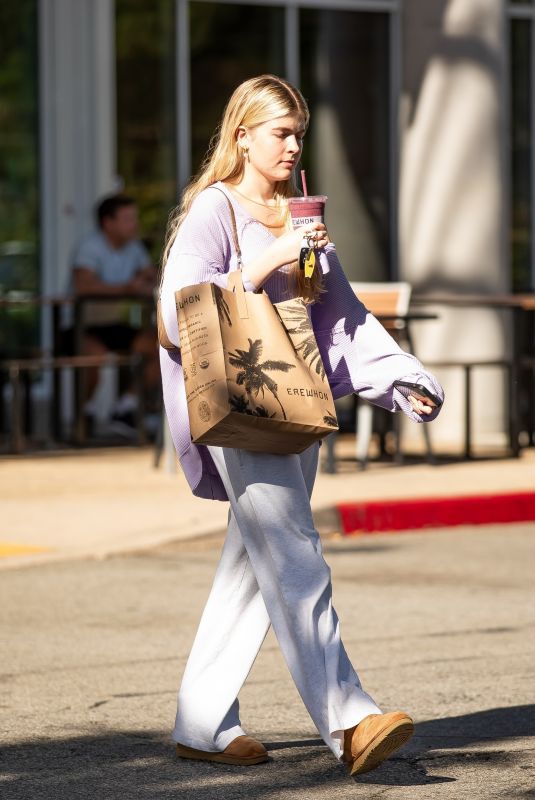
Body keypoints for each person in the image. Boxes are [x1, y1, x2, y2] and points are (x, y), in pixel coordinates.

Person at [159, 75, 444, 776]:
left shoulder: (299, 213)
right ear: (241, 136)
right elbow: (174, 316)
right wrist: (265, 262)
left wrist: (399, 376)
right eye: (279, 132)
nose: (291, 145)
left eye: (297, 133)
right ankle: (348, 719)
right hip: (241, 410)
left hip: (299, 404)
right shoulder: (213, 211)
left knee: (251, 570)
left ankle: (201, 722)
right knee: (293, 555)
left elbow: (339, 317)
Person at [69, 194, 159, 430]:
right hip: (81, 325)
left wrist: (148, 280)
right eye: (128, 219)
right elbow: (83, 285)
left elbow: (151, 275)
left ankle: (125, 408)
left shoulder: (135, 247)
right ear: (107, 223)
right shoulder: (90, 246)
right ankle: (84, 414)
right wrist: (128, 287)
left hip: (115, 325)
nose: (135, 224)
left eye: (134, 218)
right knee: (92, 357)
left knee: (163, 350)